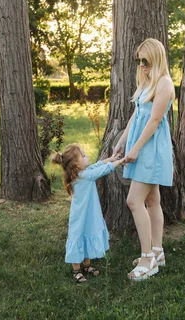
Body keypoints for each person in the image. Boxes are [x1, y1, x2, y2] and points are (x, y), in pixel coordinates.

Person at [113, 38, 175, 282]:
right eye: (139, 61)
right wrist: (123, 141)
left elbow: (154, 120)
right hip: (141, 147)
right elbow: (136, 116)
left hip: (152, 150)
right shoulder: (147, 83)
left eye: (146, 61)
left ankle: (148, 258)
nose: (142, 66)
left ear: (156, 59)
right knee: (152, 199)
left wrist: (136, 149)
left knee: (133, 201)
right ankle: (158, 251)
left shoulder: (165, 83)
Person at [52, 144, 125, 283]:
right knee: (78, 236)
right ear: (76, 165)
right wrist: (119, 161)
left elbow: (97, 165)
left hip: (88, 214)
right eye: (84, 155)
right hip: (80, 217)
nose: (87, 156)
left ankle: (86, 266)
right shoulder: (84, 176)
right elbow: (102, 170)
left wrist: (111, 158)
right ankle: (76, 270)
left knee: (86, 236)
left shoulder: (82, 173)